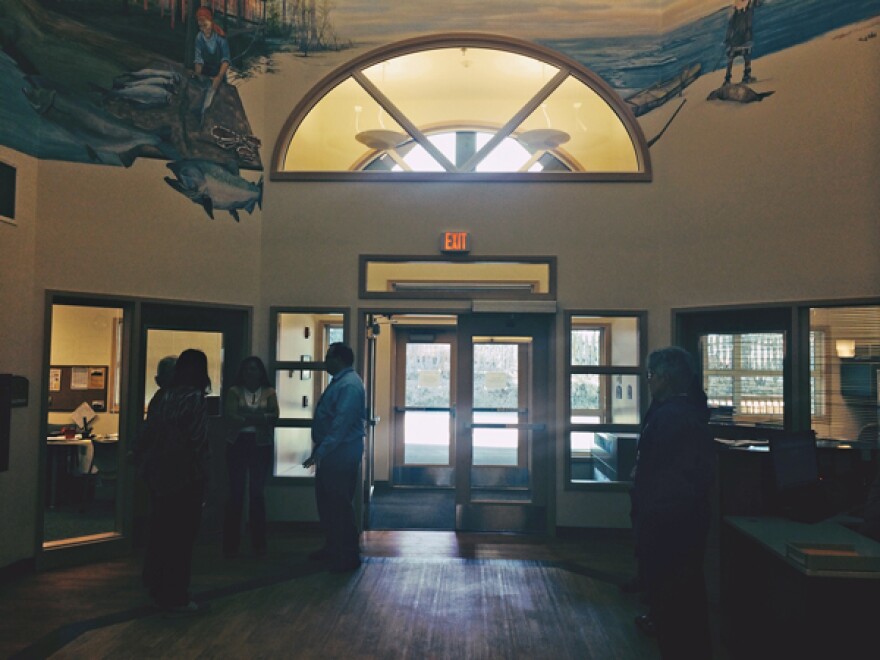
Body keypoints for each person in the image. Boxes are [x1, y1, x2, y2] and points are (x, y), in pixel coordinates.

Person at [631, 347, 715, 659]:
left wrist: (647, 527)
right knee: (687, 605)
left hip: (668, 528)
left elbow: (659, 479)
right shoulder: (690, 413)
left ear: (665, 378)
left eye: (651, 376)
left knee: (673, 610)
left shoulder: (669, 419)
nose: (649, 382)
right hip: (686, 523)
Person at [135, 349, 211, 616]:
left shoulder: (164, 396)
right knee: (182, 538)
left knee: (162, 533)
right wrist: (204, 474)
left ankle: (158, 588)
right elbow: (198, 441)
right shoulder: (195, 398)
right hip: (186, 477)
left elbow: (149, 432)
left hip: (160, 475)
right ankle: (177, 595)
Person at [303, 342, 366, 573]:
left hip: (340, 452)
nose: (325, 360)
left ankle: (347, 555)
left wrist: (321, 451)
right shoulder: (343, 382)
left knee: (338, 503)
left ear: (338, 359)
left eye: (328, 356)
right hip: (334, 451)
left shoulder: (348, 385)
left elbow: (340, 425)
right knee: (328, 502)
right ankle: (333, 548)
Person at [223, 356, 279, 557]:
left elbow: (275, 416)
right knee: (236, 493)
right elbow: (231, 416)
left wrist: (245, 416)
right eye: (247, 369)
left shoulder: (269, 391)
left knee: (257, 494)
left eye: (254, 369)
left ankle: (259, 542)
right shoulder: (234, 391)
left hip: (261, 445)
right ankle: (231, 544)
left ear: (260, 372)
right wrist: (260, 418)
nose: (250, 373)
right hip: (237, 444)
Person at [140, 355, 177, 593]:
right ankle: (164, 578)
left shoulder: (159, 400)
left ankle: (156, 574)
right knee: (168, 525)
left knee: (161, 523)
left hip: (161, 469)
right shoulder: (171, 401)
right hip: (169, 470)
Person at [723, 0, 762, 85]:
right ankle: (743, 77)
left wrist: (728, 38)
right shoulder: (742, 8)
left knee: (735, 56)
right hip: (743, 36)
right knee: (744, 55)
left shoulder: (736, 9)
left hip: (739, 36)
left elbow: (730, 25)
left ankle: (728, 79)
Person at [193, 6, 231, 91]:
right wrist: (197, 75)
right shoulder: (199, 38)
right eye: (201, 27)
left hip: (219, 74)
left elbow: (225, 60)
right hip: (205, 73)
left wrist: (219, 77)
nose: (203, 30)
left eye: (205, 25)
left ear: (210, 21)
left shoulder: (220, 38)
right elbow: (198, 60)